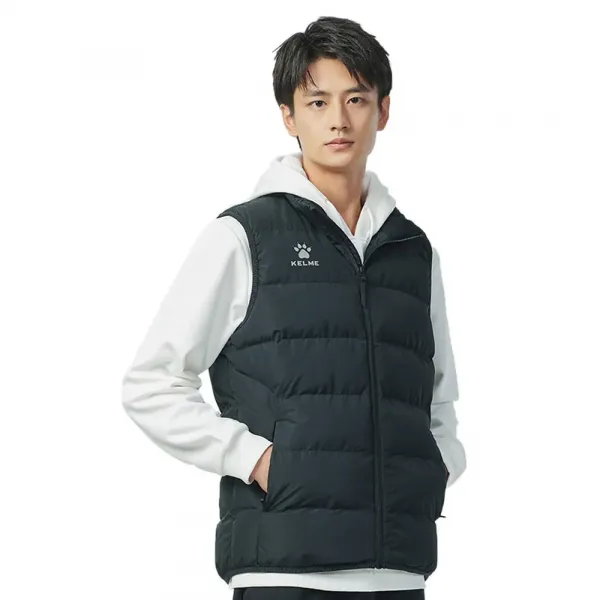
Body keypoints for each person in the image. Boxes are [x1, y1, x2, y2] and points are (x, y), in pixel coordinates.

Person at [121, 15, 467, 600]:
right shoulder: (243, 237)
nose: (339, 120)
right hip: (283, 568)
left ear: (383, 110)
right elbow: (150, 384)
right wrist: (255, 459)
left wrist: (433, 469)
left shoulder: (413, 250)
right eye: (317, 101)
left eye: (356, 99)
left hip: (399, 571)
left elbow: (438, 398)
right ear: (289, 116)